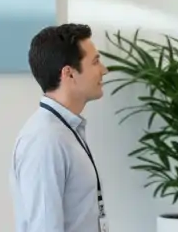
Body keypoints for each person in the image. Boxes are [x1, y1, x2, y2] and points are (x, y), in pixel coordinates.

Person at [10, 23, 110, 232]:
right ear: (69, 73)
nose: (104, 70)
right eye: (95, 62)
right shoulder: (45, 140)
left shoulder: (64, 130)